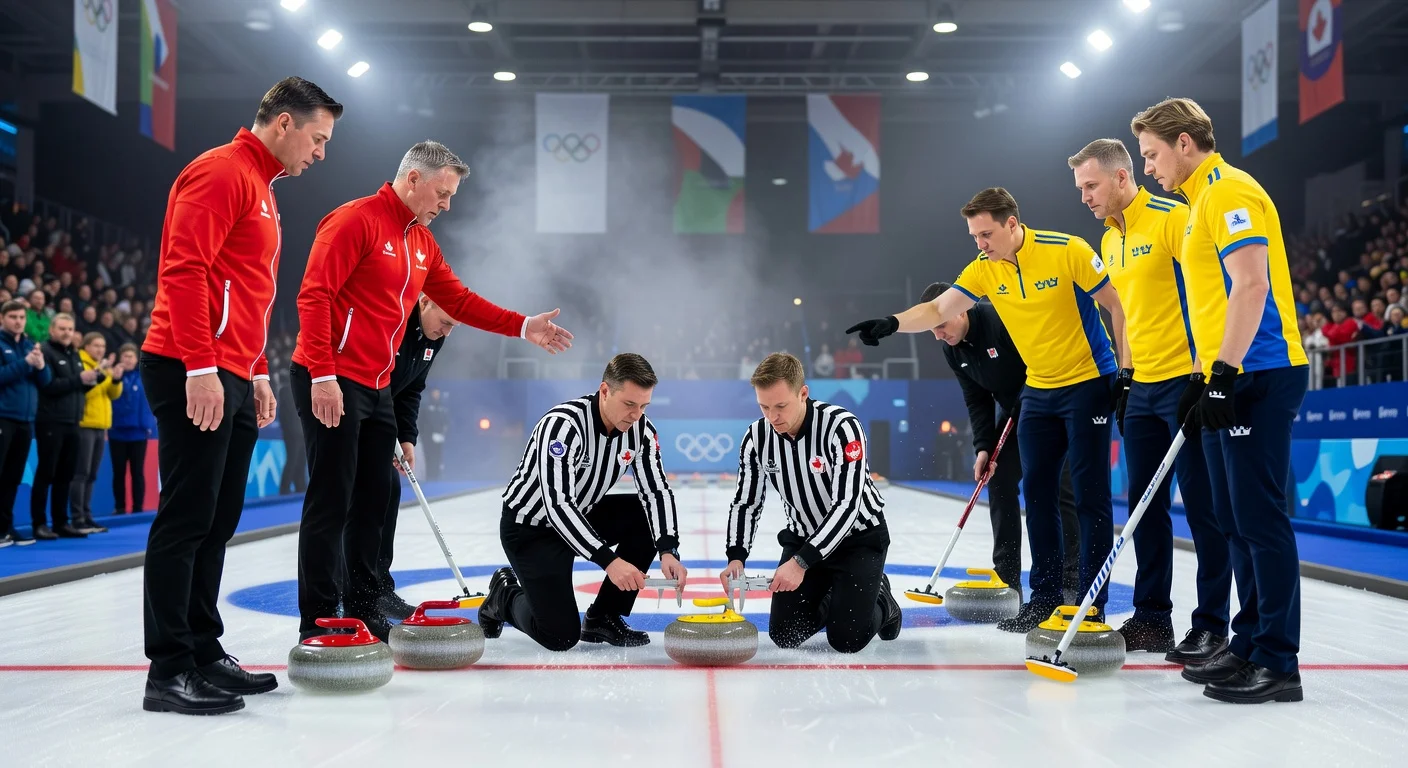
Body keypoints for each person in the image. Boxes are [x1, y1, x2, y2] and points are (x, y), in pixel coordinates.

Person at [291, 140, 573, 644]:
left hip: (378, 385)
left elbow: (459, 300)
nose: (446, 205)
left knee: (377, 497)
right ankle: (317, 616)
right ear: (414, 179)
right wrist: (321, 373)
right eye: (442, 193)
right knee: (332, 499)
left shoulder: (421, 242)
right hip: (333, 375)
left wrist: (522, 325)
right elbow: (314, 294)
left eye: (451, 196)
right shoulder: (355, 220)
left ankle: (366, 598)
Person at [140, 76, 343, 716]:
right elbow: (185, 270)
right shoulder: (222, 172)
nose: (320, 152)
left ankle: (202, 649)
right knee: (187, 518)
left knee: (219, 519)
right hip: (188, 362)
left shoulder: (262, 189)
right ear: (283, 122)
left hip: (229, 368)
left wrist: (255, 370)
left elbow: (246, 296)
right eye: (317, 138)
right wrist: (202, 365)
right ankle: (168, 669)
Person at [846, 187, 1130, 633]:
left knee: (1087, 496)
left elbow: (1117, 304)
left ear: (1012, 224)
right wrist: (893, 323)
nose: (980, 243)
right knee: (1034, 497)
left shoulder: (1067, 250)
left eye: (986, 233)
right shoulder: (983, 270)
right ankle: (1045, 598)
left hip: (1088, 382)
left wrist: (1126, 372)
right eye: (974, 235)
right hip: (1039, 388)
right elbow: (940, 307)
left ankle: (1089, 602)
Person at [1132, 97, 1309, 704]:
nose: (1150, 167)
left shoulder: (1230, 190)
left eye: (1152, 154)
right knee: (1233, 519)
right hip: (1227, 372)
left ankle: (1279, 663)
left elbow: (1252, 283)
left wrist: (1225, 373)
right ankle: (1249, 643)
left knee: (1259, 519)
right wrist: (1201, 375)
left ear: (1186, 143)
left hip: (1260, 371)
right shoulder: (1198, 201)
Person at [1069, 138, 1231, 663]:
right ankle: (1153, 618)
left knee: (1204, 511)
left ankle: (1211, 627)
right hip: (1142, 390)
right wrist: (1125, 374)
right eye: (1080, 188)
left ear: (1121, 177)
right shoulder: (1108, 240)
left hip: (1187, 382)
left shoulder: (1171, 216)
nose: (1085, 197)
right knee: (1145, 509)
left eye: (1091, 185)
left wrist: (1204, 372)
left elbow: (1212, 291)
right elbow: (1129, 315)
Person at [478, 354, 686, 650]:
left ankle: (604, 616)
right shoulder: (563, 426)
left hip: (583, 514)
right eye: (629, 404)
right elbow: (558, 504)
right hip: (532, 529)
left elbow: (656, 492)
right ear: (604, 391)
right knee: (559, 636)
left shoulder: (641, 431)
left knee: (644, 517)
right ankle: (504, 595)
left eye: (643, 406)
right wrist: (610, 561)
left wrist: (668, 548)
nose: (636, 415)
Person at [717, 352, 902, 651]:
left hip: (859, 538)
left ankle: (882, 598)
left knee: (847, 640)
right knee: (785, 635)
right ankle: (836, 595)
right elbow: (746, 502)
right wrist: (736, 556)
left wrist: (801, 563)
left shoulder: (842, 428)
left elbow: (847, 505)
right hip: (803, 536)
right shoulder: (756, 437)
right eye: (764, 407)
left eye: (780, 406)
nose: (772, 417)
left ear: (803, 393)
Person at [918, 282, 1081, 602]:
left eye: (940, 325)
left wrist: (1024, 405)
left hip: (1053, 405)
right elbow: (976, 399)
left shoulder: (1002, 320)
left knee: (1057, 490)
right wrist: (983, 447)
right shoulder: (952, 349)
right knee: (998, 479)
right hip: (1014, 412)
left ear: (960, 309)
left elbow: (1038, 365)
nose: (938, 335)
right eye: (931, 329)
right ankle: (1008, 580)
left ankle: (1069, 582)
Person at [370, 295, 458, 620]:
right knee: (362, 499)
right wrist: (384, 425)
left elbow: (411, 388)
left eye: (454, 326)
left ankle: (379, 588)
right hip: (351, 407)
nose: (447, 332)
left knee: (389, 492)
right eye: (445, 321)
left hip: (382, 413)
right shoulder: (393, 321)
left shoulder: (433, 339)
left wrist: (407, 437)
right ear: (424, 303)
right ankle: (355, 591)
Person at [31, 313, 99, 539]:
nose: (66, 333)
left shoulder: (75, 354)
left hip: (73, 421)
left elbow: (76, 388)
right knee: (46, 473)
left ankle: (61, 522)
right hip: (51, 421)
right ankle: (39, 523)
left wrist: (90, 381)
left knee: (65, 475)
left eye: (70, 329)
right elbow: (48, 385)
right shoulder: (46, 352)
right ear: (52, 330)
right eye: (62, 328)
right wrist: (80, 379)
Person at [0, 299, 51, 547]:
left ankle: (6, 527)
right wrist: (26, 364)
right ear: (2, 319)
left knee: (13, 477)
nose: (18, 321)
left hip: (25, 420)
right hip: (4, 417)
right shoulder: (1, 344)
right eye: (13, 317)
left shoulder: (30, 345)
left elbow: (45, 381)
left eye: (21, 317)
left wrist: (41, 367)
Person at [71, 332, 124, 531]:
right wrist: (99, 374)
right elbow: (87, 391)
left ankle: (87, 514)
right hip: (85, 423)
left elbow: (112, 394)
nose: (100, 349)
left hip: (101, 425)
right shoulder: (81, 363)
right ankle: (77, 517)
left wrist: (116, 380)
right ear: (86, 346)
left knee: (92, 473)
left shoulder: (103, 366)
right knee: (81, 472)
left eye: (102, 346)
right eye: (96, 345)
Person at [109, 343, 155, 514]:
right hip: (117, 431)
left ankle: (138, 507)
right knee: (118, 472)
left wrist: (148, 425)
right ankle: (119, 507)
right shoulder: (113, 376)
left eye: (131, 356)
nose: (128, 360)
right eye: (125, 356)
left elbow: (148, 403)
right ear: (120, 358)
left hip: (138, 432)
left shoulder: (143, 377)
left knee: (137, 472)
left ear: (137, 359)